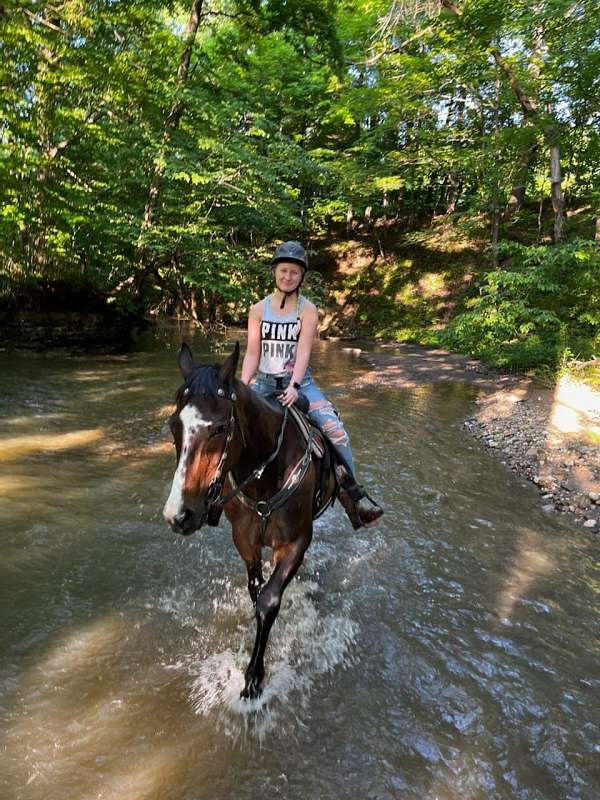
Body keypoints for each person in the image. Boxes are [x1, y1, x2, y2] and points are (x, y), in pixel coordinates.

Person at [240, 240, 383, 529]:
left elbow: (304, 350)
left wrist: (294, 386)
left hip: (300, 384)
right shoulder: (257, 310)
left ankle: (354, 499)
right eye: (283, 271)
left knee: (336, 431)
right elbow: (253, 352)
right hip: (264, 383)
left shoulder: (307, 310)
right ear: (274, 272)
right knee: (231, 427)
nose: (287, 277)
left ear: (301, 276)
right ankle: (217, 500)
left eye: (293, 272)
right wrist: (242, 387)